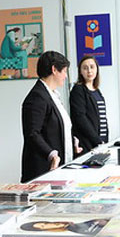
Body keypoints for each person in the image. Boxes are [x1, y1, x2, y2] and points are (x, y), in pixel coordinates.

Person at [21, 51, 80, 182]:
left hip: (59, 168)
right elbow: (32, 133)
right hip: (42, 170)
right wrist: (51, 154)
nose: (65, 76)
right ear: (54, 69)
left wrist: (72, 140)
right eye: (64, 71)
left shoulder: (53, 95)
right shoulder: (37, 97)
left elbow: (55, 127)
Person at [69, 56, 109, 156]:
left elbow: (102, 117)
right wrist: (97, 141)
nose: (89, 71)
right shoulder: (78, 90)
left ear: (97, 69)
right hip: (88, 143)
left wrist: (104, 141)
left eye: (92, 67)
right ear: (80, 72)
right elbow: (80, 118)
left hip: (101, 142)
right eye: (85, 68)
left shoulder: (96, 90)